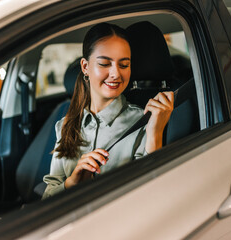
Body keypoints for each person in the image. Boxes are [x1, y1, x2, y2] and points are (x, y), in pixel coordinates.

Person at [42, 23, 173, 199]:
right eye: (104, 63)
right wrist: (71, 184)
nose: (116, 74)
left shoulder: (144, 120)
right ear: (85, 67)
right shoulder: (65, 125)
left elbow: (153, 194)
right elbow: (48, 195)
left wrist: (155, 133)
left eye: (124, 65)